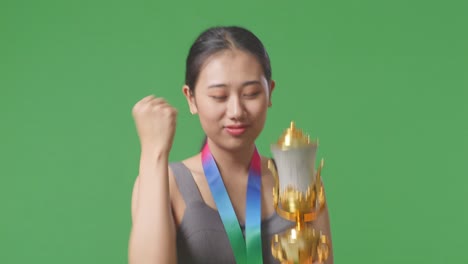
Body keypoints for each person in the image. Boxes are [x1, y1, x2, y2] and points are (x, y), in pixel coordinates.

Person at [128, 26, 333, 264]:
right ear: (191, 99)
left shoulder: (297, 177)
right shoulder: (167, 183)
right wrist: (154, 152)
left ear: (270, 93)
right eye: (219, 96)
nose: (236, 111)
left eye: (251, 93)